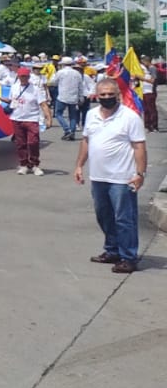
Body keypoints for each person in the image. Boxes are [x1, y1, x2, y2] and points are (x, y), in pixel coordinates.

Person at [74, 78, 147, 274]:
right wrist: (79, 165)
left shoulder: (130, 117)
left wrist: (140, 173)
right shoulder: (91, 115)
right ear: (96, 96)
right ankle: (112, 250)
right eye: (102, 95)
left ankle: (128, 257)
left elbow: (139, 147)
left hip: (122, 178)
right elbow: (86, 141)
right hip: (98, 177)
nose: (106, 98)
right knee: (104, 216)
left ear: (118, 95)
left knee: (124, 219)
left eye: (110, 94)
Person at [7, 63, 53, 176]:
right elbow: (11, 101)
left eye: (25, 76)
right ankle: (23, 164)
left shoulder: (35, 89)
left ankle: (35, 164)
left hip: (31, 119)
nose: (23, 78)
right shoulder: (14, 87)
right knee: (20, 143)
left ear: (29, 77)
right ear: (18, 76)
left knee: (33, 142)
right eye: (21, 76)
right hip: (17, 118)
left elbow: (43, 104)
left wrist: (48, 118)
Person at [52, 57, 83, 141]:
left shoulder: (60, 72)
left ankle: (67, 129)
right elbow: (80, 86)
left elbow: (53, 82)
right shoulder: (77, 73)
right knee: (72, 116)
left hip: (62, 96)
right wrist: (81, 97)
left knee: (58, 114)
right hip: (73, 96)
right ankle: (72, 131)